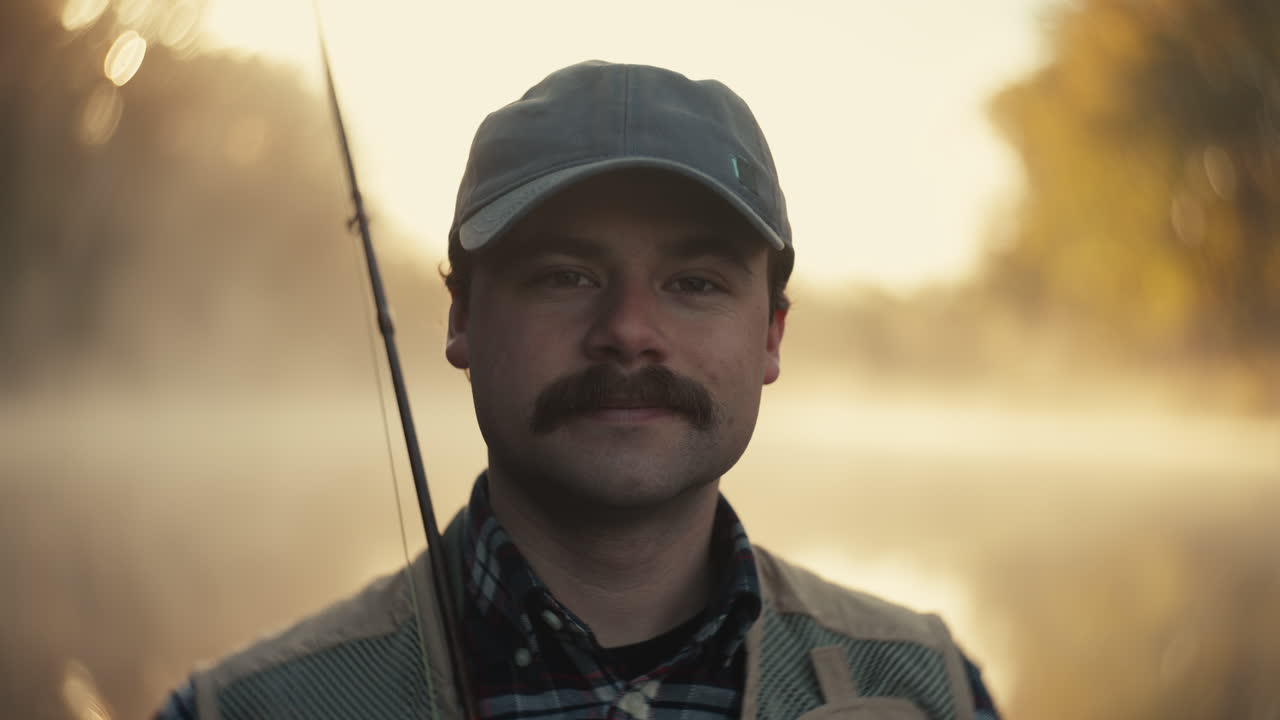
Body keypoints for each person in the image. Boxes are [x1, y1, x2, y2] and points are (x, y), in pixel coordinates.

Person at [155, 60, 1001, 720]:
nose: (629, 328)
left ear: (771, 336)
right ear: (462, 320)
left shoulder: (932, 689)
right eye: (565, 274)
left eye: (695, 282)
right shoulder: (238, 710)